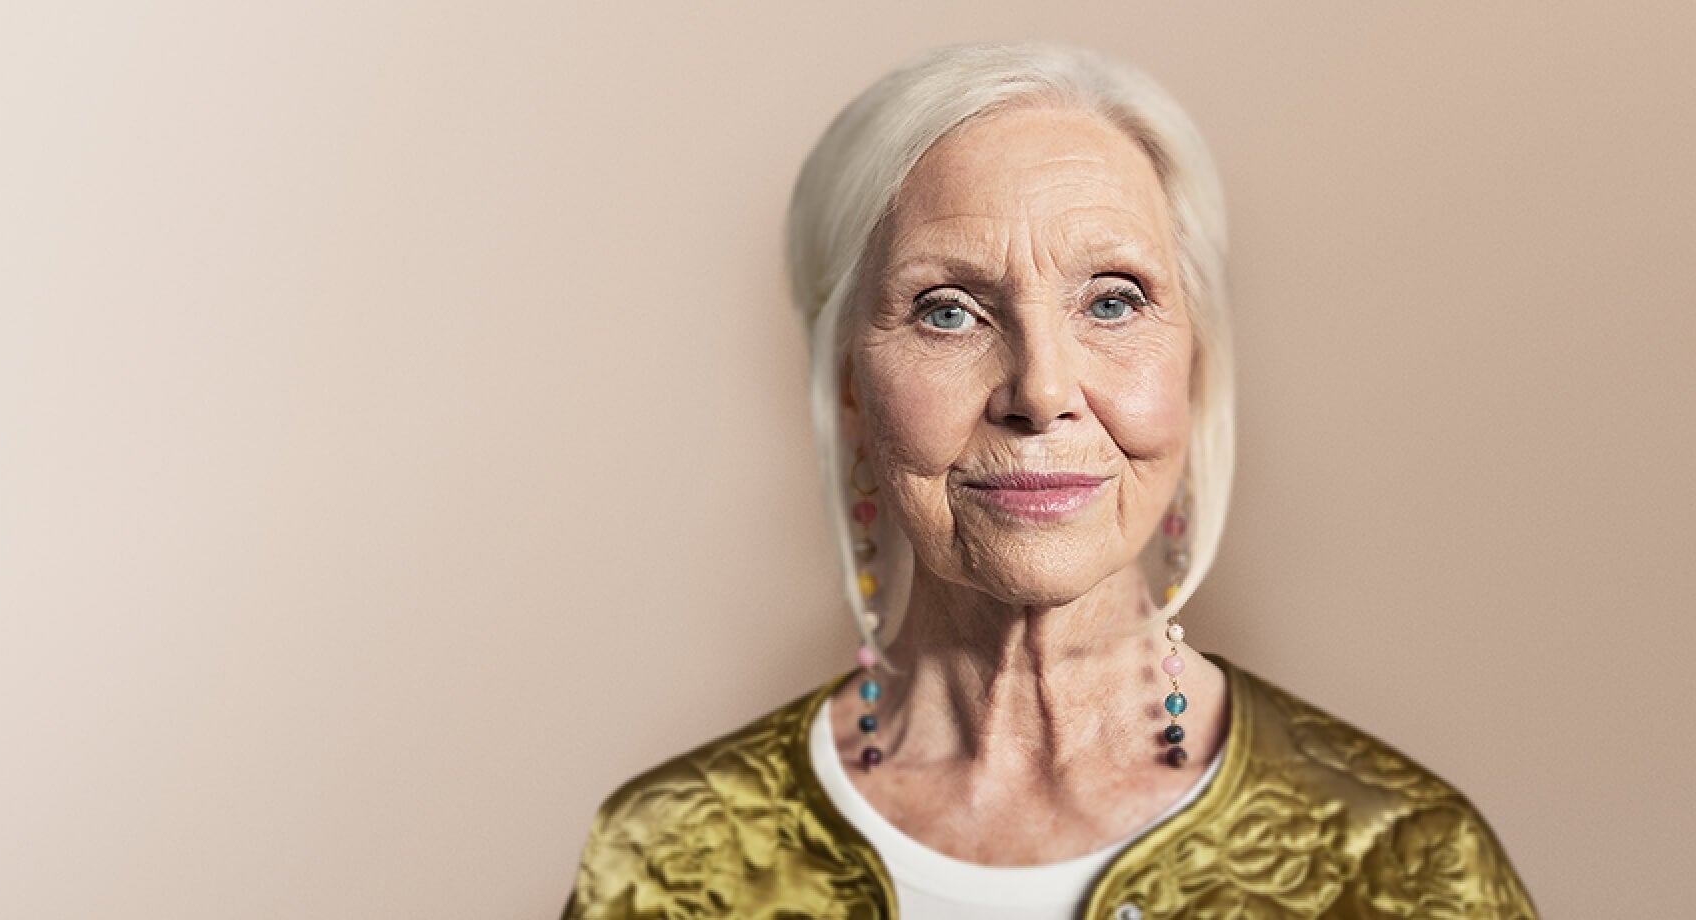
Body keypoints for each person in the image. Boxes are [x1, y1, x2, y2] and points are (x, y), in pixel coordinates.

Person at [559, 43, 1536, 920]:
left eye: (1113, 302)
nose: (1041, 390)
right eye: (948, 311)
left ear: (1193, 371)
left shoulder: (1400, 862)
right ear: (849, 386)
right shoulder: (673, 861)